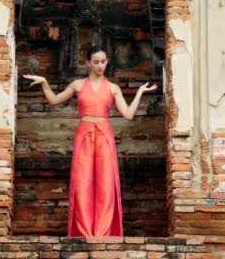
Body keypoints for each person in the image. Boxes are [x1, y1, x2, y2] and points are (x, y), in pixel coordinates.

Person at [22, 46, 157, 237]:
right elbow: (53, 100)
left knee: (106, 183)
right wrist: (44, 82)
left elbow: (128, 114)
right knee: (82, 182)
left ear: (107, 61)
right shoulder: (77, 85)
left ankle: (102, 234)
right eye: (96, 62)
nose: (100, 66)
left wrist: (140, 92)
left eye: (103, 61)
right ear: (88, 63)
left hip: (104, 134)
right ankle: (85, 234)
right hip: (84, 133)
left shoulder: (113, 88)